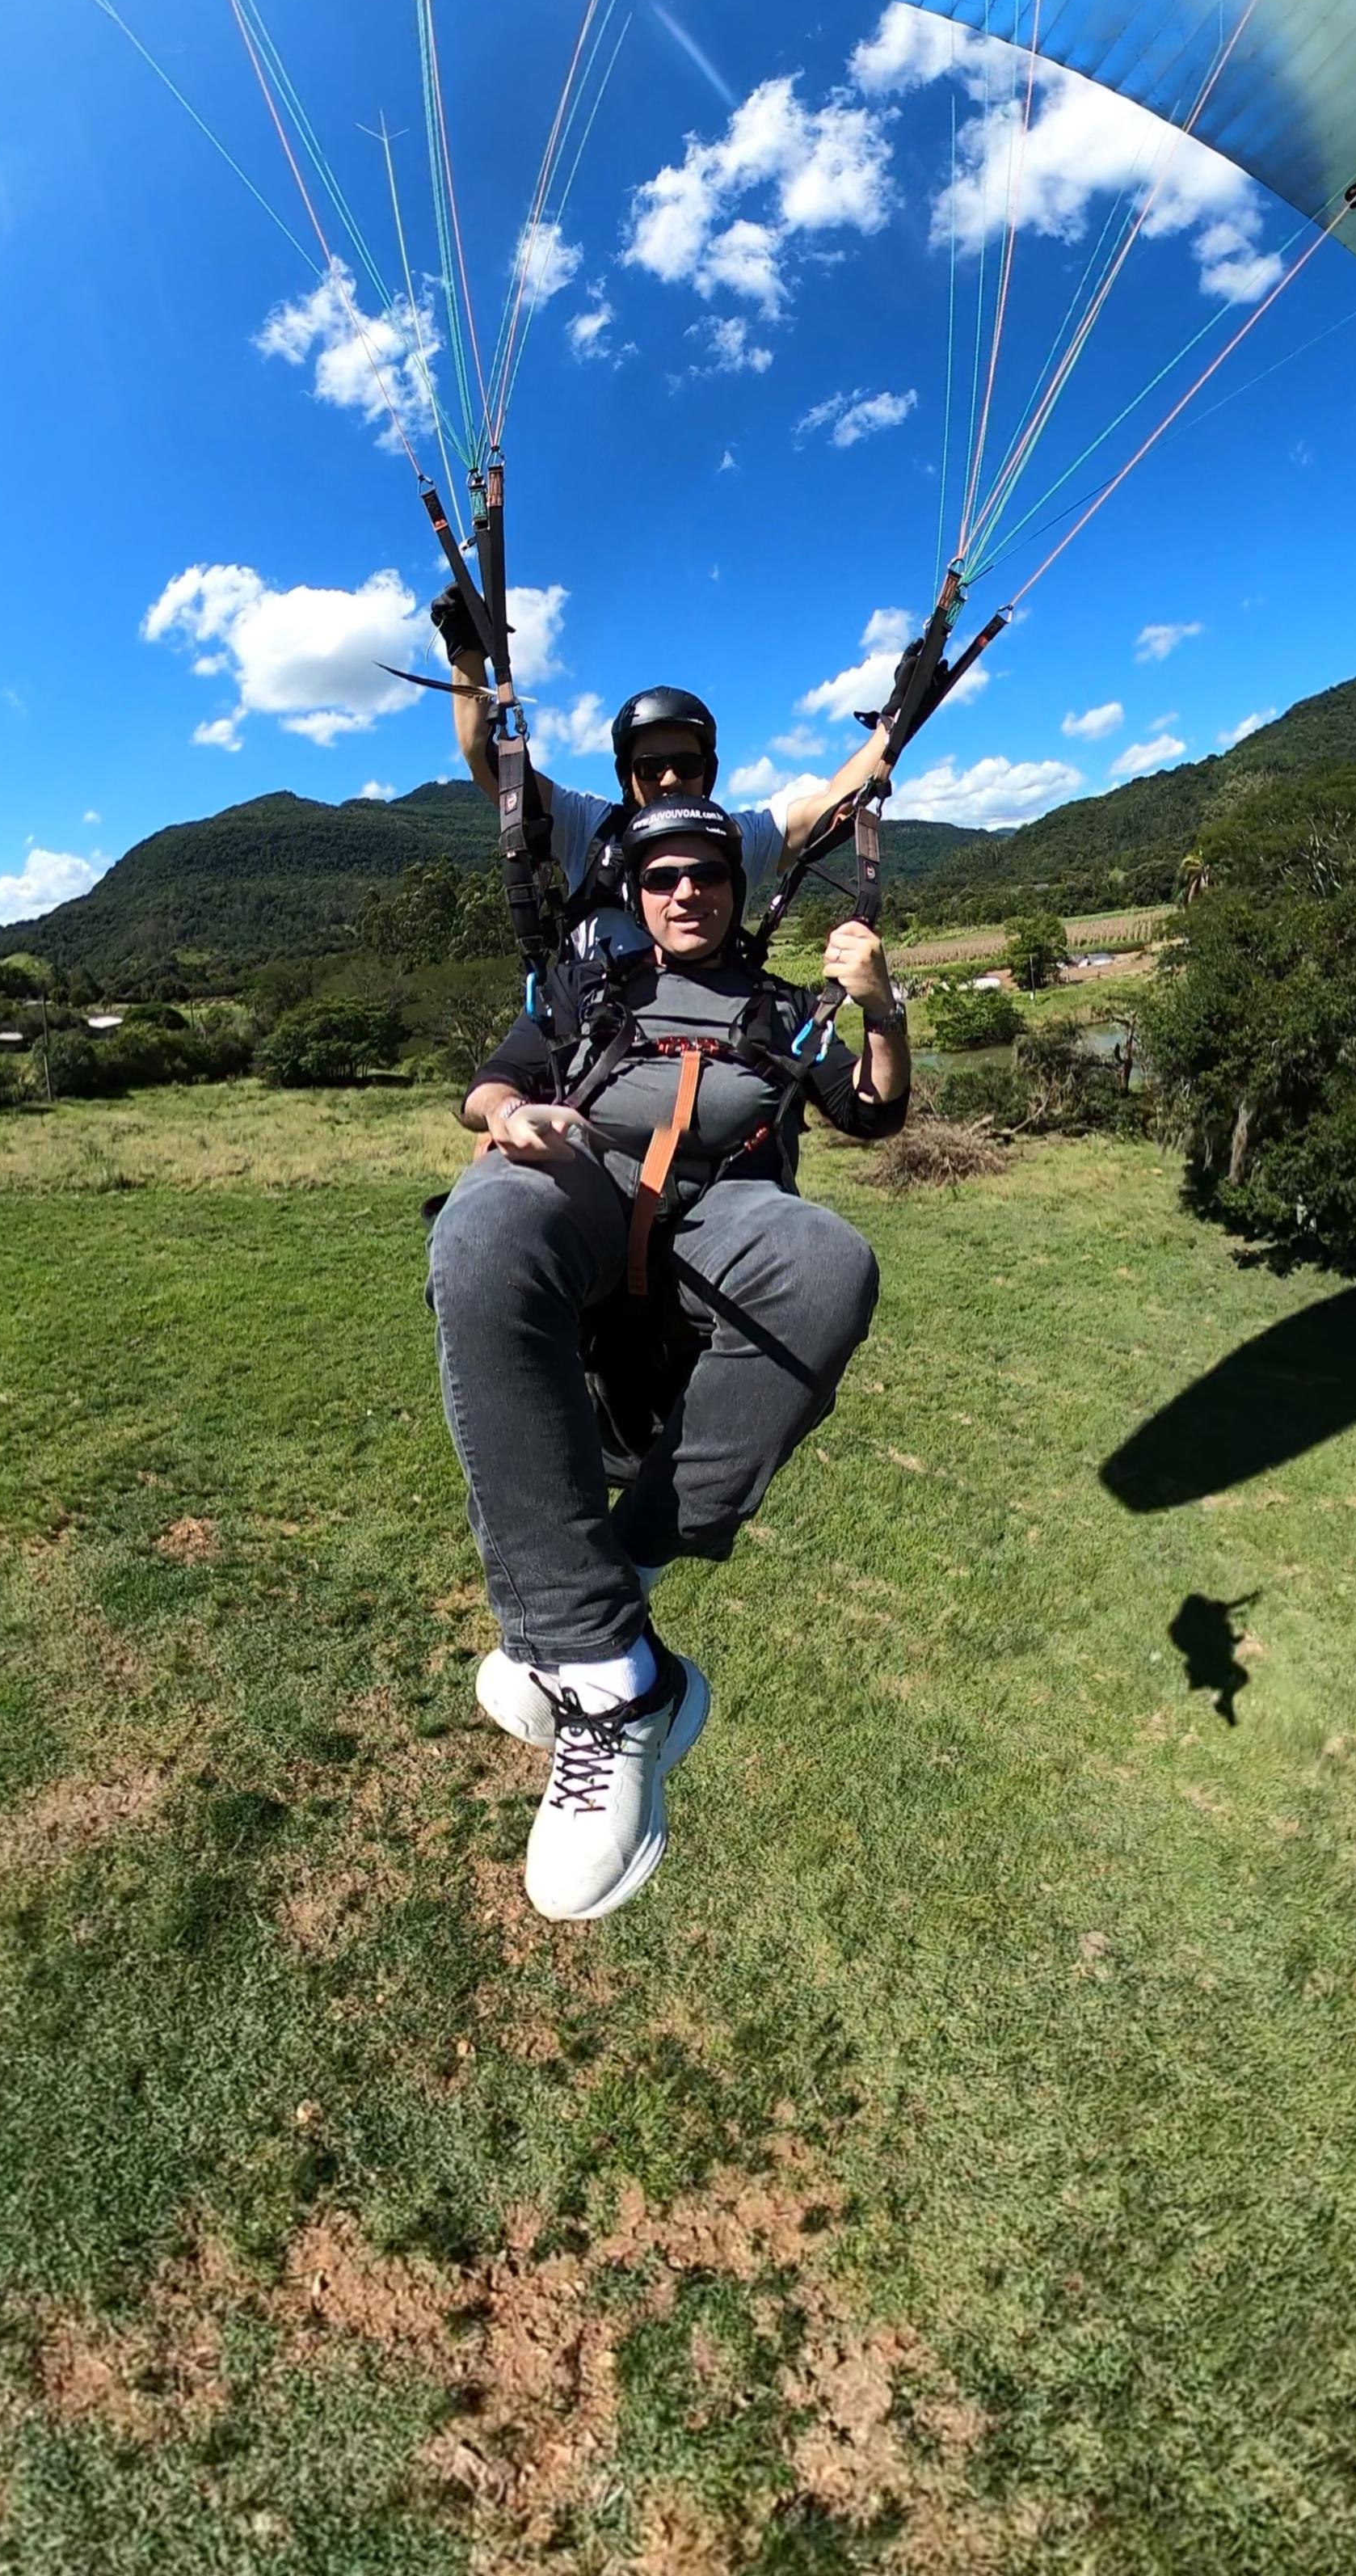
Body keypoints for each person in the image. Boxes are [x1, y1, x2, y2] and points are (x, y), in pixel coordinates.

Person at [427, 796, 910, 1924]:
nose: (686, 890)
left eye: (709, 875)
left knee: (832, 1261)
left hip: (728, 1207)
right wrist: (509, 1120)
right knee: (483, 1226)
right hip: (588, 1177)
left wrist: (881, 1012)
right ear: (636, 897)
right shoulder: (586, 991)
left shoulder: (789, 1008)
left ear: (737, 893)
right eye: (662, 877)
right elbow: (489, 1085)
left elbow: (876, 1118)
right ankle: (612, 1674)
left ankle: (614, 1590)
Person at [428, 584, 889, 956]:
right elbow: (491, 763)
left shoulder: (735, 839)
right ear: (627, 776)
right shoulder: (586, 829)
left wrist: (893, 725)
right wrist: (468, 652)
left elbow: (836, 802)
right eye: (650, 767)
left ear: (707, 771)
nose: (669, 779)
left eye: (685, 764)